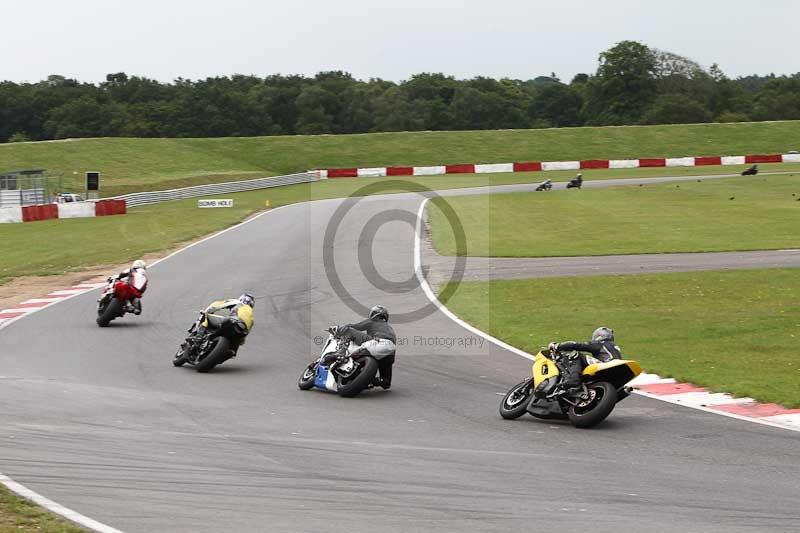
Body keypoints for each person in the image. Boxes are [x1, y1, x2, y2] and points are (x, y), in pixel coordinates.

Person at [326, 305, 396, 389]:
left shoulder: (373, 321)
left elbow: (355, 327)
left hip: (377, 342)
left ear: (374, 314)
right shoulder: (390, 328)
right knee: (386, 382)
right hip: (391, 350)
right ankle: (375, 381)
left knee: (349, 331)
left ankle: (341, 352)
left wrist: (338, 329)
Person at [547, 327, 621, 393]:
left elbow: (578, 346)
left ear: (600, 336)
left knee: (576, 354)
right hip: (615, 373)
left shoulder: (600, 343)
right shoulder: (614, 347)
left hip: (605, 365)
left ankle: (574, 379)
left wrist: (558, 346)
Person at [186, 293, 255, 354]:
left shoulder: (238, 302)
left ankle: (198, 338)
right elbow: (244, 337)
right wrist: (240, 342)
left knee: (206, 316)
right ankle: (230, 351)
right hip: (241, 332)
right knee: (233, 350)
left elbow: (218, 304)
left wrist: (208, 311)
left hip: (231, 321)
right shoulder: (251, 318)